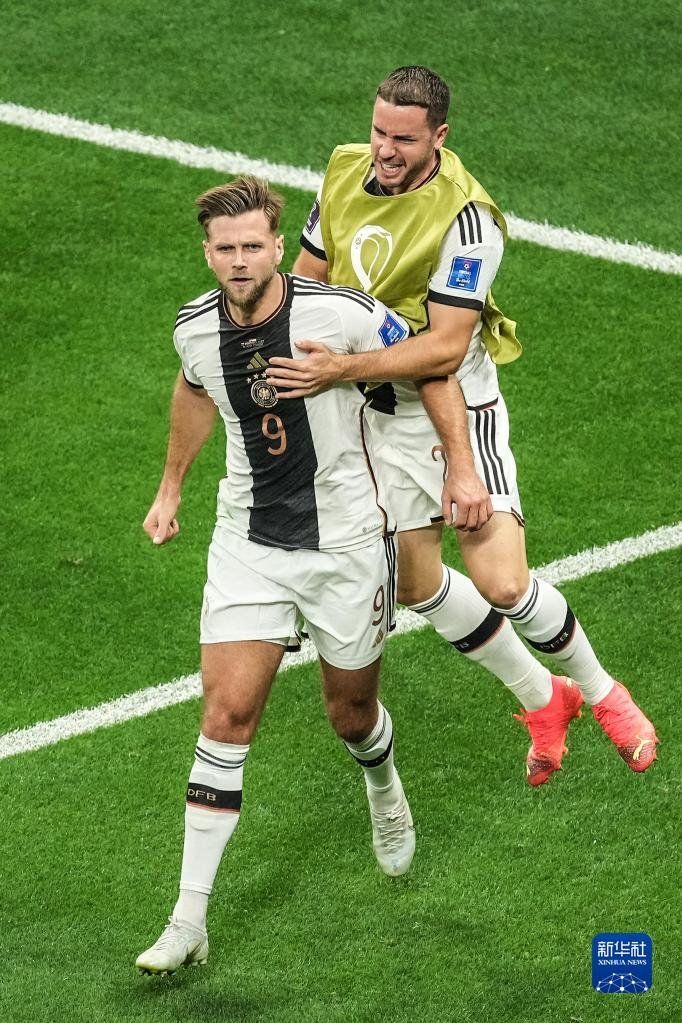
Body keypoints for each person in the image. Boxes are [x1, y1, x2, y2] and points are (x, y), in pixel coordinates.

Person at [265, 65, 658, 784]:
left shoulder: (468, 220)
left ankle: (604, 693)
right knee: (414, 584)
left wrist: (348, 374)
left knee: (503, 582)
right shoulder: (343, 170)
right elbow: (308, 280)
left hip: (452, 410)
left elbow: (444, 349)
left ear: (439, 137)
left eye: (405, 140)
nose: (385, 150)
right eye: (379, 131)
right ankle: (544, 699)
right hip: (371, 412)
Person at [136, 175, 432, 975]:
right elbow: (195, 389)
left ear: (277, 246)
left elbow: (432, 359)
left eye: (252, 246)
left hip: (346, 542)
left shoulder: (341, 313)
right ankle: (188, 918)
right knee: (226, 713)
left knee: (350, 714)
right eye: (224, 249)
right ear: (209, 253)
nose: (239, 260)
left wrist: (451, 466)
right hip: (249, 540)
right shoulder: (194, 327)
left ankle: (383, 784)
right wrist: (170, 487)